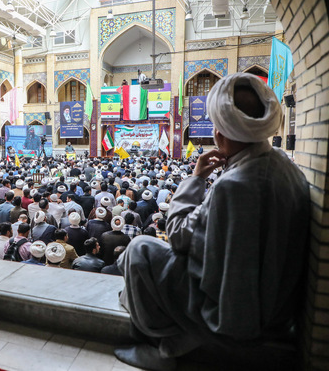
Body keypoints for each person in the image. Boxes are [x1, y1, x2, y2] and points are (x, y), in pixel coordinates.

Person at [114, 73, 310, 370]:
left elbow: (179, 236)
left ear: (220, 134)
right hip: (278, 307)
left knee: (140, 250)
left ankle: (162, 348)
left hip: (235, 311)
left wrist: (196, 179)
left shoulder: (234, 185)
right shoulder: (287, 167)